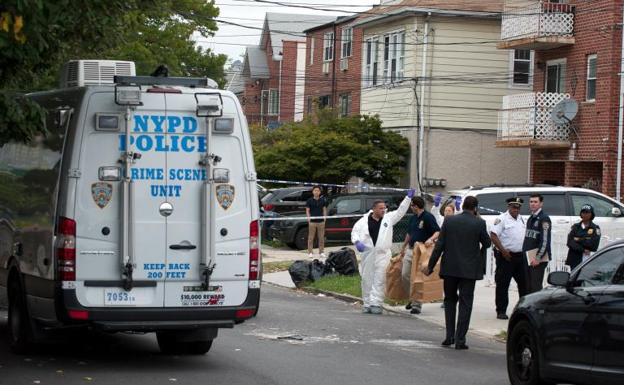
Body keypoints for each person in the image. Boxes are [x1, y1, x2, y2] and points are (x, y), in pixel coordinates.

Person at [423, 196, 491, 350]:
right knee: (466, 304)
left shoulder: (449, 221)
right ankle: (460, 339)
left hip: (450, 268)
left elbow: (439, 245)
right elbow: (487, 243)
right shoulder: (479, 223)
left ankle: (449, 336)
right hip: (469, 270)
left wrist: (431, 266)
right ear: (475, 208)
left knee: (450, 301)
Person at [351, 189, 414, 315]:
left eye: (384, 208)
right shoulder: (363, 221)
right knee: (366, 278)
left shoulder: (388, 219)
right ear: (374, 209)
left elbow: (400, 211)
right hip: (368, 254)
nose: (383, 210)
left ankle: (376, 303)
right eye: (380, 208)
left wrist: (408, 198)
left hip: (382, 254)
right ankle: (367, 303)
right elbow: (355, 232)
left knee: (380, 278)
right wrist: (357, 242)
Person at [398, 196, 440, 314]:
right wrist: (403, 246)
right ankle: (412, 297)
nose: (411, 207)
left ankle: (417, 304)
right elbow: (409, 233)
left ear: (416, 206)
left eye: (412, 205)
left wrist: (431, 239)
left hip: (421, 251)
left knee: (418, 278)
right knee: (405, 275)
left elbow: (438, 231)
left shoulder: (428, 217)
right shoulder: (412, 218)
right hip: (411, 249)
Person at [490, 197, 528, 320]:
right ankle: (501, 310)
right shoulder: (502, 219)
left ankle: (523, 308)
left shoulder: (522, 219)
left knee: (524, 284)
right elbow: (494, 235)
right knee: (503, 284)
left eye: (518, 207)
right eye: (513, 207)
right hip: (506, 256)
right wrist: (503, 251)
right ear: (509, 207)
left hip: (520, 256)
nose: (516, 209)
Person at [522, 194, 551, 294]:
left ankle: (536, 309)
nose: (533, 204)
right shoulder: (531, 218)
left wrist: (538, 257)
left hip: (537, 259)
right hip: (528, 257)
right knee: (528, 286)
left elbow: (545, 241)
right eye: (531, 202)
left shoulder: (544, 219)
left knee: (535, 287)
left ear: (541, 203)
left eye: (535, 202)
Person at [566, 204, 601, 270]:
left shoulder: (595, 228)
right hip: (574, 259)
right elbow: (570, 242)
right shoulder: (575, 227)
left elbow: (593, 245)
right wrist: (583, 249)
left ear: (591, 214)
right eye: (583, 212)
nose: (585, 214)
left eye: (587, 212)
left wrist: (578, 239)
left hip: (587, 259)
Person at [306, 186, 327, 258]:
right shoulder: (309, 200)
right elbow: (307, 210)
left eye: (318, 191)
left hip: (321, 222)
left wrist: (324, 218)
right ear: (313, 192)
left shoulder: (323, 200)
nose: (316, 192)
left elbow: (324, 209)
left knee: (321, 237)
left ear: (320, 192)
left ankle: (321, 252)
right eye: (315, 190)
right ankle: (310, 252)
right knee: (311, 238)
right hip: (312, 222)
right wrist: (308, 218)